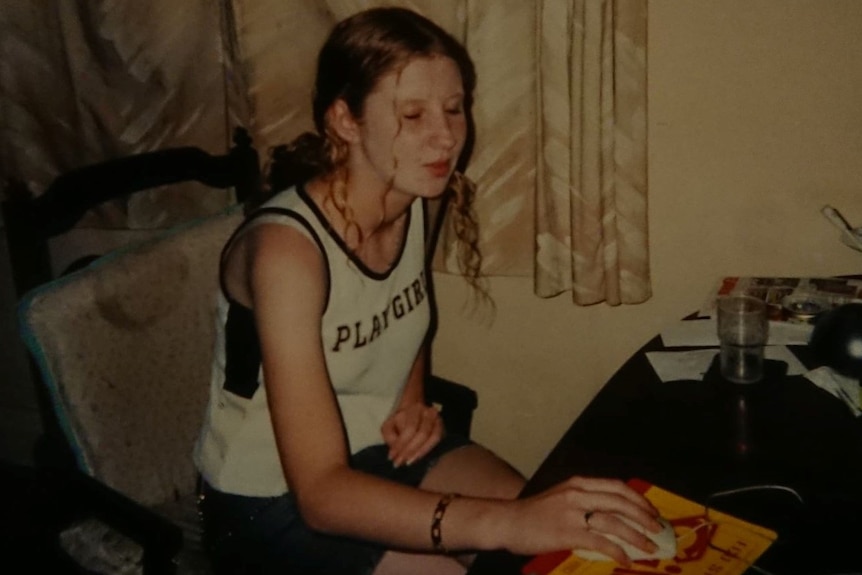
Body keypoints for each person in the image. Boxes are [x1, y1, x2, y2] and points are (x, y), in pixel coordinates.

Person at [194, 7, 663, 575]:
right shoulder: (287, 256)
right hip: (273, 498)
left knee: (574, 543)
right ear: (346, 120)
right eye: (412, 115)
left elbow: (405, 308)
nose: (445, 138)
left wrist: (411, 393)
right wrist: (506, 523)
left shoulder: (421, 194)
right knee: (500, 544)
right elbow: (321, 494)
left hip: (379, 449)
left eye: (454, 109)